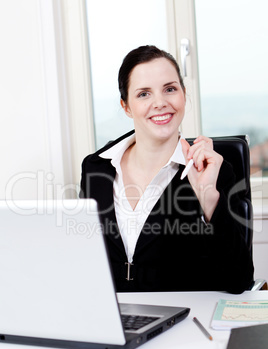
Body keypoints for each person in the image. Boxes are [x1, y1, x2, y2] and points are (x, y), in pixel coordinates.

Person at [80, 45, 254, 293]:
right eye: (143, 94)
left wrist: (208, 199)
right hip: (114, 320)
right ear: (126, 106)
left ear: (184, 94)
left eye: (170, 89)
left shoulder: (213, 171)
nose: (160, 103)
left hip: (185, 321)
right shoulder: (96, 169)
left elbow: (239, 281)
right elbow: (85, 261)